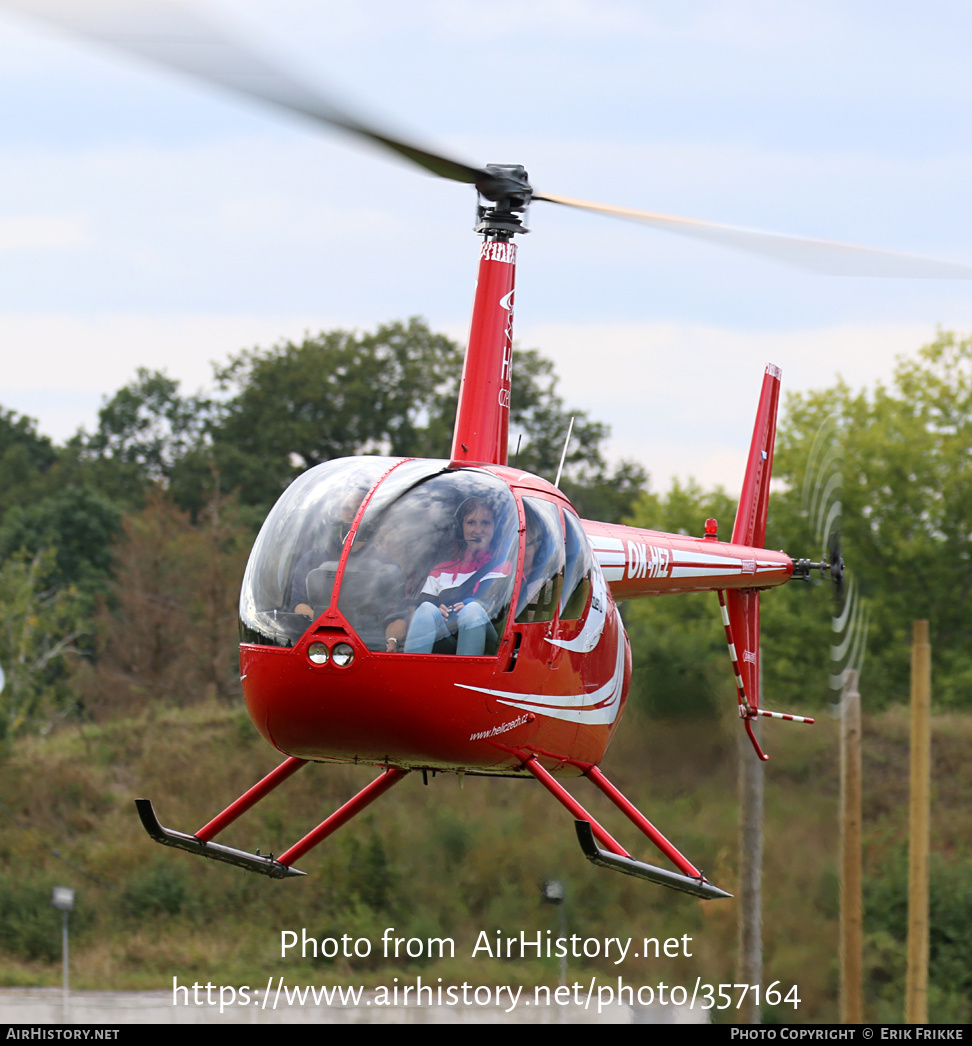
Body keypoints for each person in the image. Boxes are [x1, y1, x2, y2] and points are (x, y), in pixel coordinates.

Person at [404, 497, 512, 656]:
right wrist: (436, 608)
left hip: (492, 645)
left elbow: (505, 610)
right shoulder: (441, 570)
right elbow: (421, 607)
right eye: (471, 522)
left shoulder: (506, 567)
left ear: (496, 528)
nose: (478, 529)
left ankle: (468, 676)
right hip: (447, 637)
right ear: (460, 528)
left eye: (485, 523)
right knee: (426, 609)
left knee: (472, 610)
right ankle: (409, 673)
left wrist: (475, 604)